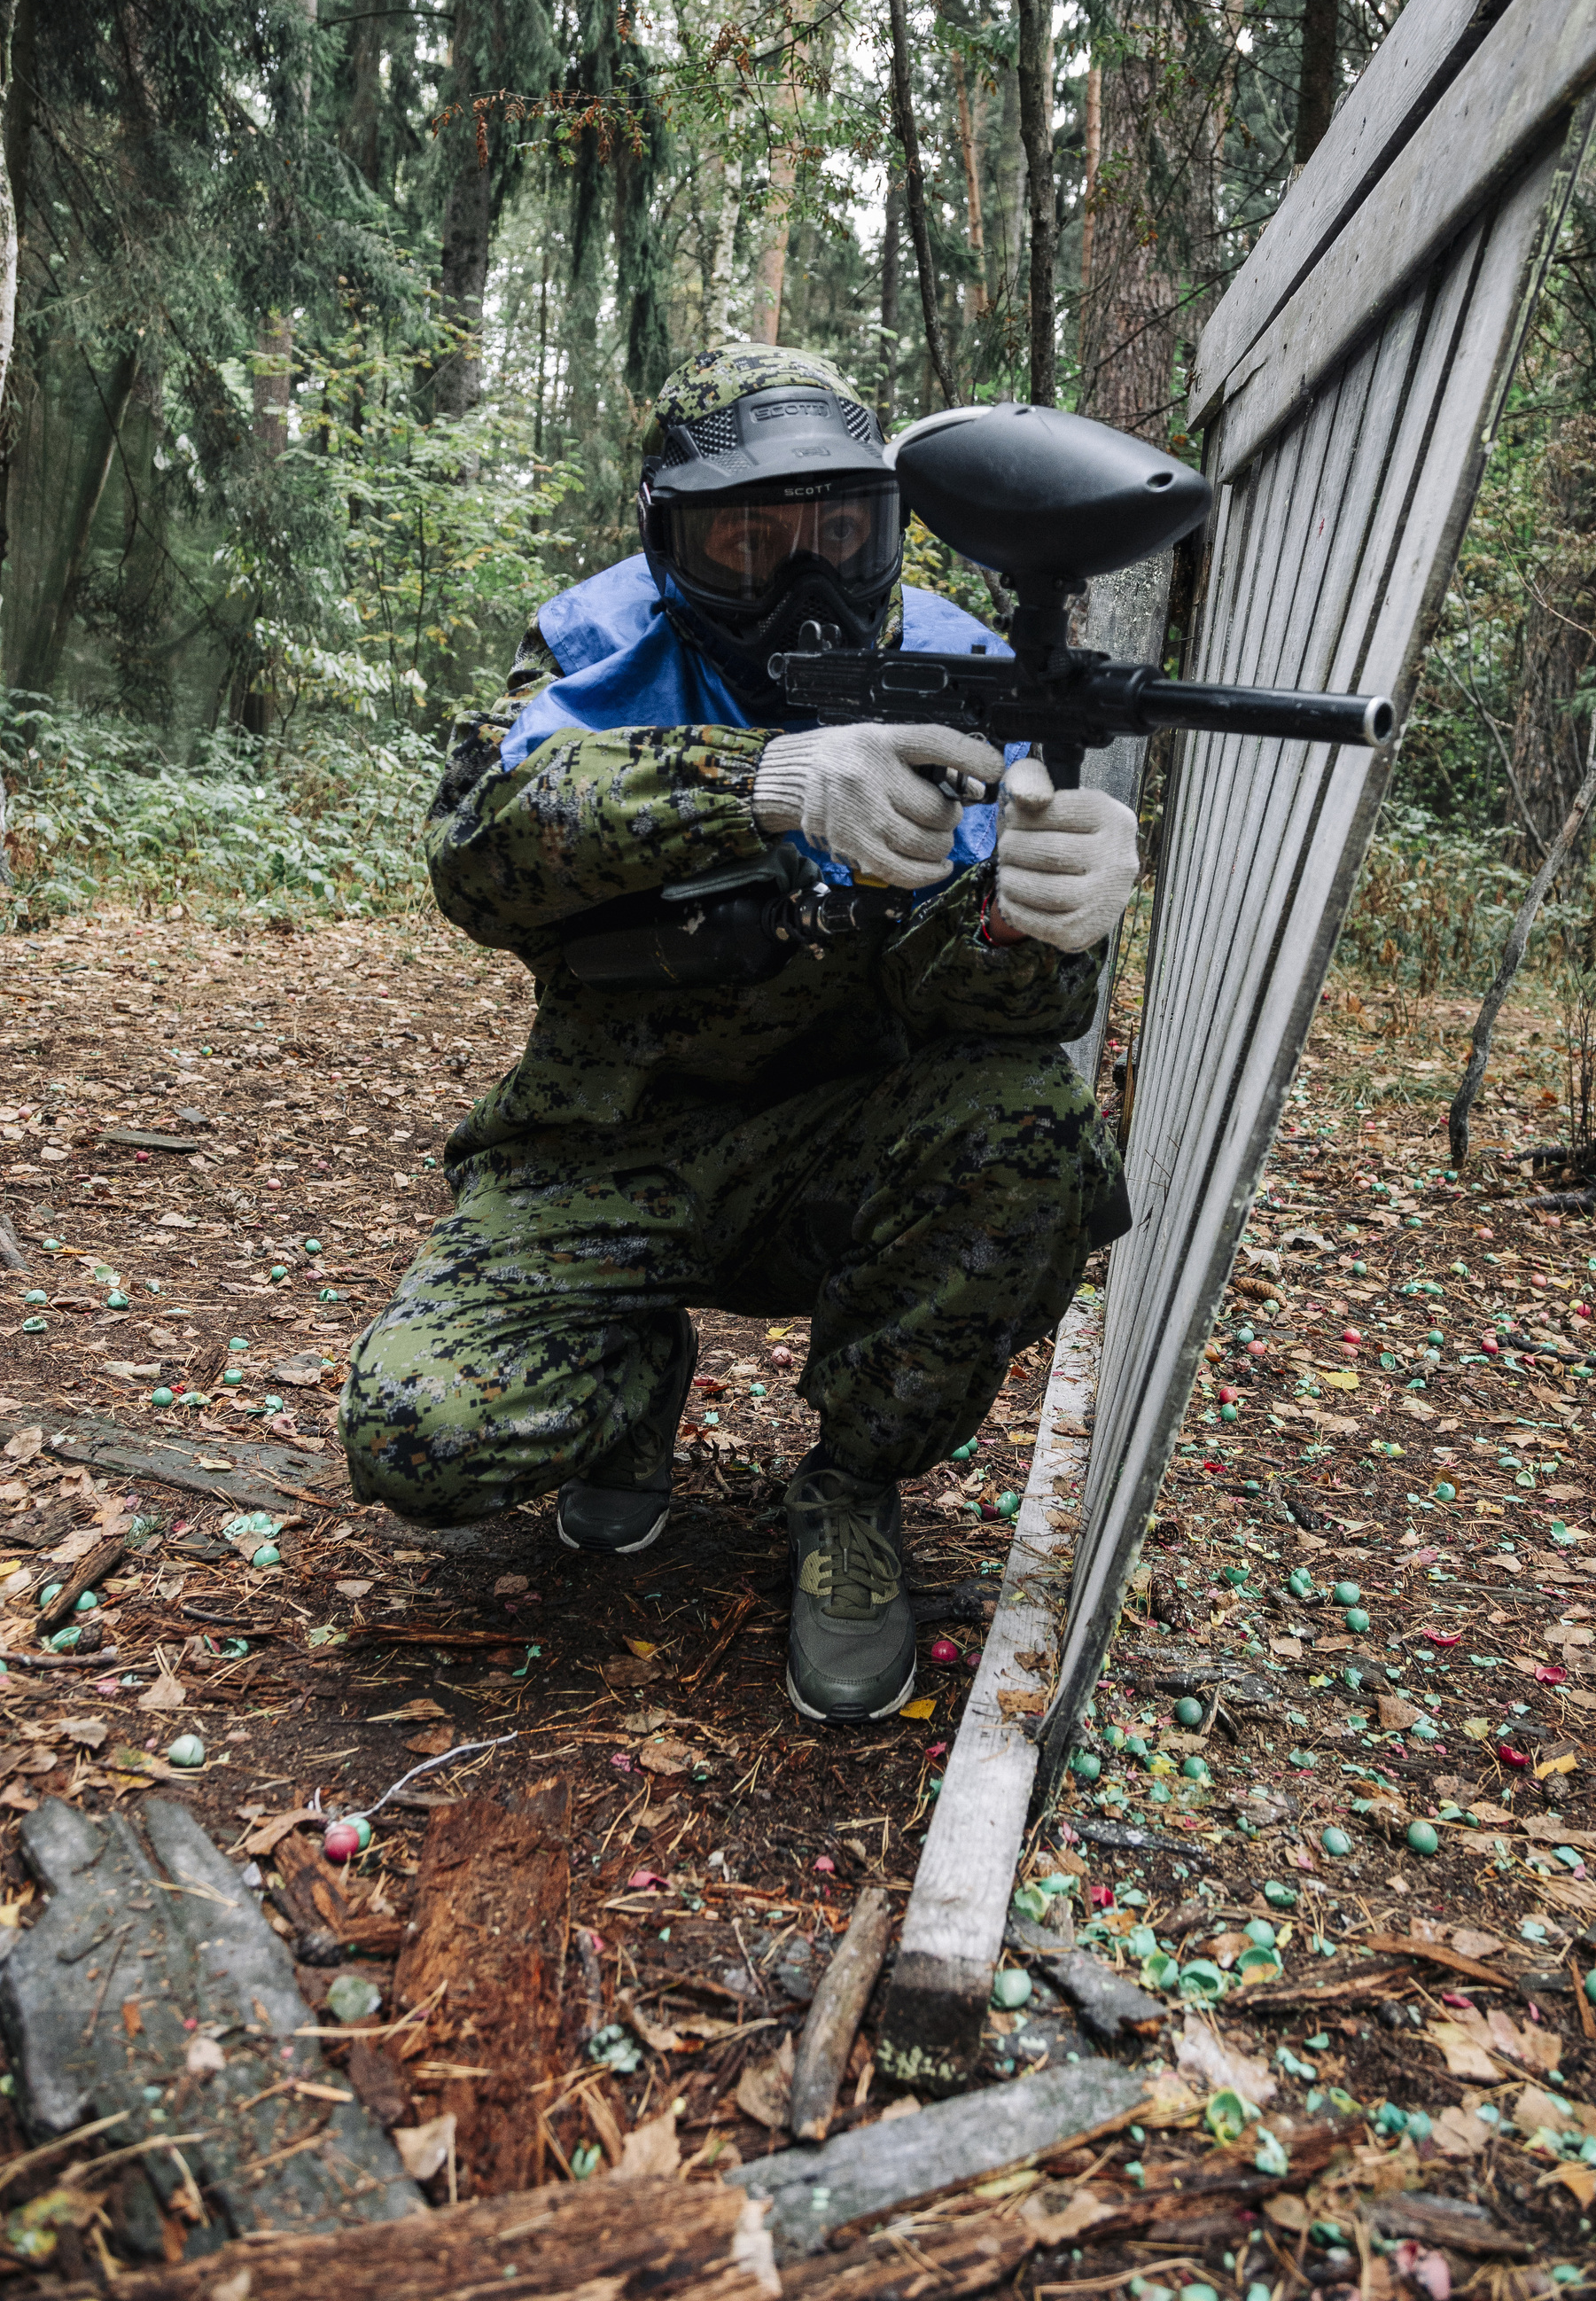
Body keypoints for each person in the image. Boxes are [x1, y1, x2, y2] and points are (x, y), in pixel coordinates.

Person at [338, 344, 1140, 1722]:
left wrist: (1035, 919)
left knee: (1033, 1127)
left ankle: (852, 1485)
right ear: (668, 541)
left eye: (839, 536)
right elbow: (478, 849)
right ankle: (630, 1369)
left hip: (846, 1154)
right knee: (423, 1436)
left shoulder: (959, 674)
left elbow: (1006, 1029)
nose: (799, 583)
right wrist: (764, 782)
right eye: (743, 542)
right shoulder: (596, 650)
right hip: (606, 1151)